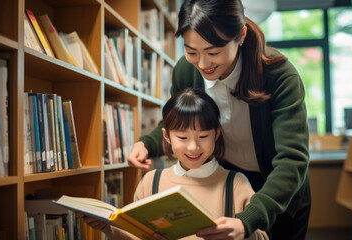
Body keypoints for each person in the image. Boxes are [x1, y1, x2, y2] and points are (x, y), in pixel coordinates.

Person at [127, 0, 311, 239]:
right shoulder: (186, 70)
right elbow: (179, 122)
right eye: (192, 51)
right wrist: (147, 144)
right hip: (226, 184)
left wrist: (248, 220)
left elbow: (292, 159)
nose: (203, 64)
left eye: (213, 52)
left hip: (278, 190)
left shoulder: (278, 75)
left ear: (241, 35)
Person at [83, 88, 268, 240]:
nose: (193, 147)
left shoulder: (235, 184)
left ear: (217, 134)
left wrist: (241, 233)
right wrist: (108, 228)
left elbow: (262, 237)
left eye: (203, 136)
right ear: (166, 136)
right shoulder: (151, 182)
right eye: (182, 137)